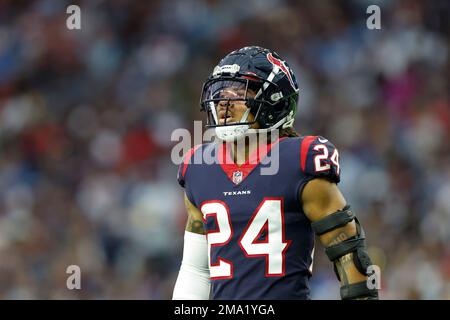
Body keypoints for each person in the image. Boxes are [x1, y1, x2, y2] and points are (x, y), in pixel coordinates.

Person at [172, 46, 379, 300]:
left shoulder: (299, 159)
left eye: (239, 93)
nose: (224, 104)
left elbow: (349, 252)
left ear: (275, 102)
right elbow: (196, 270)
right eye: (220, 93)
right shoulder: (198, 167)